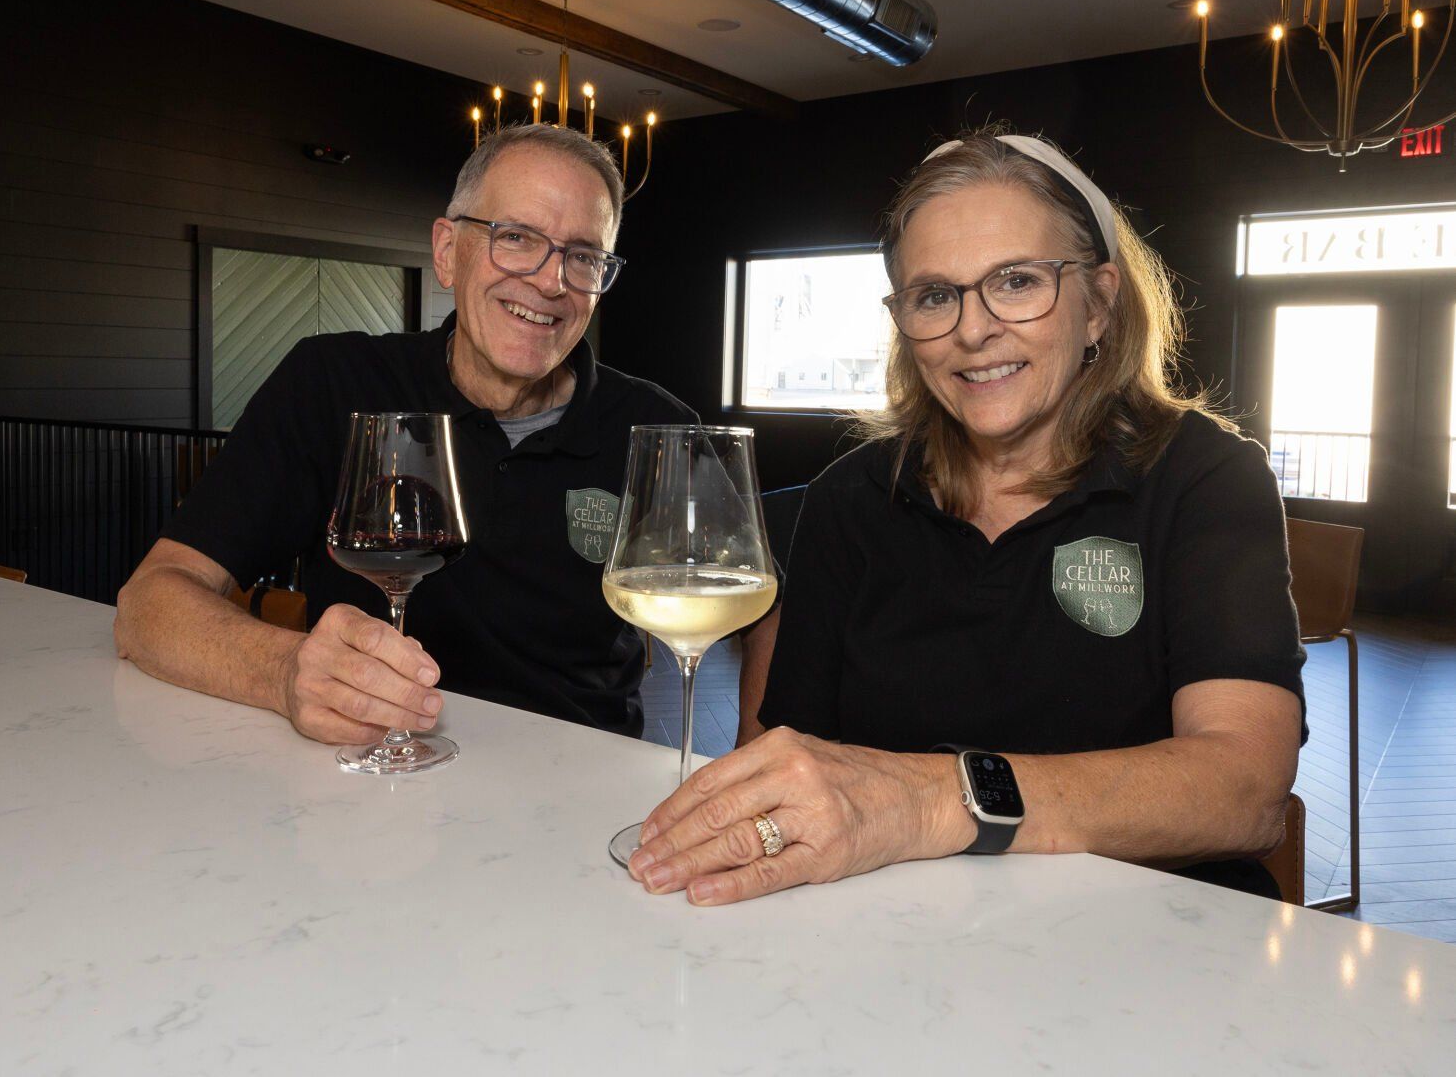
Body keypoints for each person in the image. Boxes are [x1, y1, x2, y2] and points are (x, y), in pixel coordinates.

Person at [625, 129, 1305, 905]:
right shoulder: (851, 497)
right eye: (935, 295)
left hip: (1152, 944)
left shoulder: (1205, 478)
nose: (973, 329)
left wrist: (930, 801)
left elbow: (1244, 793)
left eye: (1016, 282)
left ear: (1100, 305)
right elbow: (788, 757)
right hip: (897, 937)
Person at [115, 124, 694, 742]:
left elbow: (762, 611)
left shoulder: (658, 432)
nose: (551, 282)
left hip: (580, 794)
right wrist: (283, 670)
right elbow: (149, 605)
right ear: (447, 251)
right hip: (364, 781)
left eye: (582, 257)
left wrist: (753, 758)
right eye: (516, 238)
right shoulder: (332, 382)